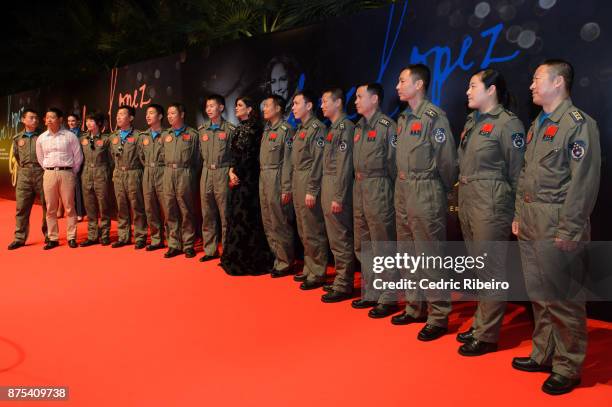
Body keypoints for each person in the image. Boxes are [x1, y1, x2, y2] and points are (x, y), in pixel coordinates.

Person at [511, 59, 600, 395]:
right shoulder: (537, 125)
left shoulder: (578, 125)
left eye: (537, 79)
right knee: (539, 294)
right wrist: (520, 213)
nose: (531, 86)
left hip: (558, 219)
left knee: (564, 298)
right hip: (532, 219)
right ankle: (544, 353)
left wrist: (570, 229)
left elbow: (583, 183)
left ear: (559, 82)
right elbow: (524, 174)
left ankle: (568, 365)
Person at [455, 69, 526, 355]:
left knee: (491, 270)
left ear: (491, 89)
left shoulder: (508, 124)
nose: (468, 92)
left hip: (492, 202)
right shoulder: (473, 121)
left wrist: (518, 213)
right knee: (479, 268)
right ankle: (481, 322)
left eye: (473, 86)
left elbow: (519, 173)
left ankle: (487, 336)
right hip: (470, 199)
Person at [390, 65, 458, 342]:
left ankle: (438, 315)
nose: (397, 85)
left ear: (419, 85)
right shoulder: (403, 119)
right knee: (407, 252)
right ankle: (414, 306)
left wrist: (438, 190)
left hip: (425, 188)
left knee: (429, 255)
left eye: (402, 80)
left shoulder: (434, 117)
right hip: (403, 189)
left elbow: (447, 162)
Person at [350, 83, 398, 315]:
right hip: (359, 187)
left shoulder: (387, 126)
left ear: (375, 99)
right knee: (363, 243)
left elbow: (394, 165)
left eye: (360, 97)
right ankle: (371, 291)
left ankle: (388, 296)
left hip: (379, 187)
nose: (356, 101)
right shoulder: (358, 127)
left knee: (382, 243)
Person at [220, 96, 274, 275]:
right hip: (236, 178)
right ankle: (234, 256)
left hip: (250, 180)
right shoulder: (237, 129)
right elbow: (233, 156)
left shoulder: (257, 129)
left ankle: (251, 259)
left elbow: (253, 156)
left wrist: (239, 174)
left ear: (250, 109)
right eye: (235, 105)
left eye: (240, 105)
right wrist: (231, 172)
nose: (236, 108)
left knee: (249, 218)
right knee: (234, 216)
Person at [319, 88, 356, 303]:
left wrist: (339, 196)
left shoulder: (345, 127)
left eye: (325, 101)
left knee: (341, 237)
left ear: (338, 103)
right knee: (334, 237)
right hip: (328, 182)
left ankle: (344, 284)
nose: (322, 105)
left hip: (336, 184)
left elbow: (343, 165)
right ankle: (341, 279)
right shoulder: (332, 128)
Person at [290, 90, 329, 290]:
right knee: (303, 228)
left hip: (308, 179)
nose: (293, 108)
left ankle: (319, 271)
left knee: (313, 228)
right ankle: (309, 266)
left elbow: (318, 162)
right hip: (298, 178)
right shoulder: (300, 129)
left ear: (309, 105)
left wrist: (312, 189)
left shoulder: (317, 128)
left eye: (297, 103)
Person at [259, 95, 297, 277]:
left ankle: (285, 261)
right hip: (264, 176)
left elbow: (288, 162)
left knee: (280, 221)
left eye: (267, 105)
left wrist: (286, 187)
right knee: (268, 221)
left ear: (278, 108)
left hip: (277, 177)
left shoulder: (286, 130)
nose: (264, 108)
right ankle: (277, 258)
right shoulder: (266, 130)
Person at [35, 107, 83, 249]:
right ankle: (53, 238)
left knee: (69, 207)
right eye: (47, 117)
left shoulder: (70, 136)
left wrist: (71, 172)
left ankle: (71, 237)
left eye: (52, 117)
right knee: (50, 208)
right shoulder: (42, 138)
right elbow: (40, 158)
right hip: (49, 173)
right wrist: (49, 169)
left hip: (67, 173)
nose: (49, 120)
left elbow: (78, 157)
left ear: (60, 119)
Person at [198, 94, 236, 262]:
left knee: (225, 214)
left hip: (223, 171)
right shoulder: (202, 130)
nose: (209, 109)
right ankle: (210, 249)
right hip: (206, 172)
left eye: (212, 106)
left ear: (221, 108)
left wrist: (230, 171)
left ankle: (227, 251)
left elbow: (235, 154)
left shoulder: (230, 129)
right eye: (207, 106)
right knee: (207, 213)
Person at [162, 103, 200, 259]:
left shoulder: (192, 134)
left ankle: (189, 244)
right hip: (168, 173)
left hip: (185, 172)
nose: (169, 116)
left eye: (173, 113)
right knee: (170, 210)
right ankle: (174, 244)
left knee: (186, 210)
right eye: (168, 114)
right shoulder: (166, 135)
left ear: (182, 114)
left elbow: (198, 159)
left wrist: (189, 174)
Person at [8, 109, 48, 249]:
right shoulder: (17, 138)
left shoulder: (44, 136)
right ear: (23, 120)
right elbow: (17, 158)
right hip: (24, 174)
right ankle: (19, 238)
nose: (35, 120)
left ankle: (49, 235)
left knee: (47, 207)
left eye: (36, 118)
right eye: (31, 118)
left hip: (41, 172)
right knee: (21, 208)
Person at [109, 105, 147, 249]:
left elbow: (143, 158)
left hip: (133, 173)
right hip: (119, 174)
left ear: (130, 118)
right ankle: (123, 236)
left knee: (137, 206)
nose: (118, 117)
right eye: (117, 114)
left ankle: (140, 236)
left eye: (122, 114)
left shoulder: (139, 136)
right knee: (122, 207)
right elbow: (112, 156)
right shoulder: (113, 136)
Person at [78, 112, 113, 247]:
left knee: (104, 205)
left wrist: (106, 173)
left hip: (101, 173)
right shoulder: (83, 139)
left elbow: (111, 160)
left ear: (98, 123)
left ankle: (105, 235)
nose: (88, 124)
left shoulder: (106, 139)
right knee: (89, 206)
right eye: (87, 121)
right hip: (86, 173)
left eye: (91, 121)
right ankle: (92, 236)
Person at [138, 104, 166, 251]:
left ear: (160, 116)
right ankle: (156, 239)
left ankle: (174, 240)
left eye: (151, 113)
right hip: (148, 172)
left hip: (163, 172)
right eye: (146, 113)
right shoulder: (143, 136)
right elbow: (141, 156)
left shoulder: (167, 135)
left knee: (167, 209)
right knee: (150, 208)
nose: (148, 116)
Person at [67, 113, 86, 221]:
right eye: (69, 121)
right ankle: (72, 212)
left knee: (78, 189)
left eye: (73, 121)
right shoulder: (65, 134)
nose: (71, 123)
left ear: (78, 121)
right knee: (69, 190)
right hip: (68, 164)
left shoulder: (83, 135)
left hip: (80, 163)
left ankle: (80, 212)